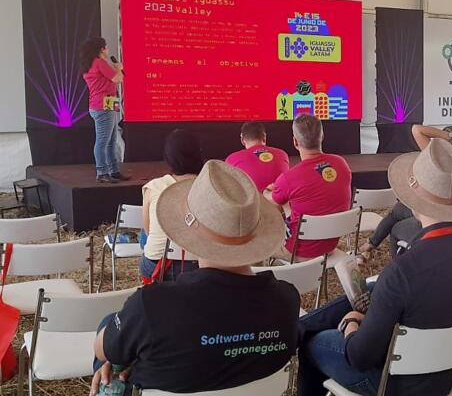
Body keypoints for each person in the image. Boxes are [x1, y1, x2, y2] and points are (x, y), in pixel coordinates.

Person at [298, 138, 452, 396]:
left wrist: (350, 324)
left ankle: (300, 333)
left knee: (313, 343)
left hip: (393, 384)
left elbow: (359, 357)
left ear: (413, 201)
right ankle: (303, 327)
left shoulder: (403, 272)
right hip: (445, 371)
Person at [90, 160, 300, 395]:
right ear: (257, 234)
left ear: (186, 231)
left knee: (110, 328)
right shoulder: (287, 300)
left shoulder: (150, 306)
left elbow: (101, 350)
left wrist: (113, 359)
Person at [358, 124, 452, 257]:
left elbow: (416, 129)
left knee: (396, 228)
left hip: (441, 222)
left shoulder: (440, 162)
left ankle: (397, 264)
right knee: (398, 210)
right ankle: (371, 243)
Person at [266, 114, 352, 261]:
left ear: (295, 141)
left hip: (299, 251)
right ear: (322, 136)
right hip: (330, 245)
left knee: (259, 241)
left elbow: (271, 203)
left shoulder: (288, 178)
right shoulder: (341, 163)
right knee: (287, 200)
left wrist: (267, 191)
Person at [139, 129, 204, 282]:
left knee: (144, 235)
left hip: (158, 265)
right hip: (199, 265)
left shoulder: (153, 187)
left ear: (168, 156)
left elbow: (148, 231)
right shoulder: (209, 185)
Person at [80, 37, 126, 183]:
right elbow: (118, 79)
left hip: (106, 102)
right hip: (102, 105)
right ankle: (102, 171)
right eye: (106, 47)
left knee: (111, 140)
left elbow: (116, 78)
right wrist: (119, 68)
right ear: (101, 49)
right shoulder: (99, 63)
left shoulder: (90, 65)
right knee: (103, 141)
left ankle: (113, 171)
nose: (107, 50)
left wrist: (119, 71)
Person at [225, 121, 289, 192]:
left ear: (242, 140)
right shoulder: (282, 154)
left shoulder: (231, 159)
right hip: (279, 202)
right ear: (264, 137)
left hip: (252, 202)